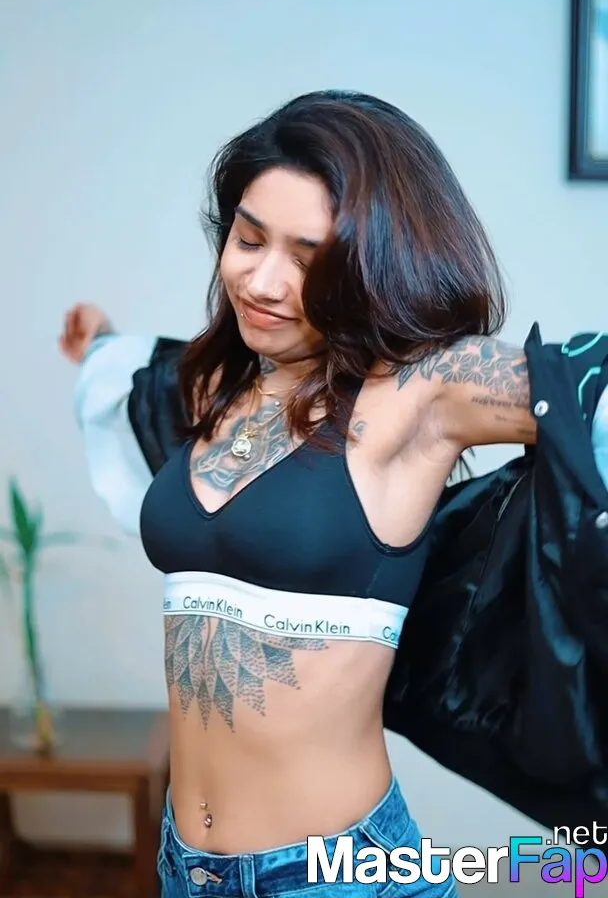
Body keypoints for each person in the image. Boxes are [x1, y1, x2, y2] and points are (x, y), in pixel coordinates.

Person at [59, 90, 608, 897]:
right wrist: (100, 342)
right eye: (248, 239)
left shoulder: (419, 396)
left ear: (369, 266)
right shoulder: (217, 385)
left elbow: (582, 392)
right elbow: (146, 382)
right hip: (186, 868)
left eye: (309, 259)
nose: (263, 281)